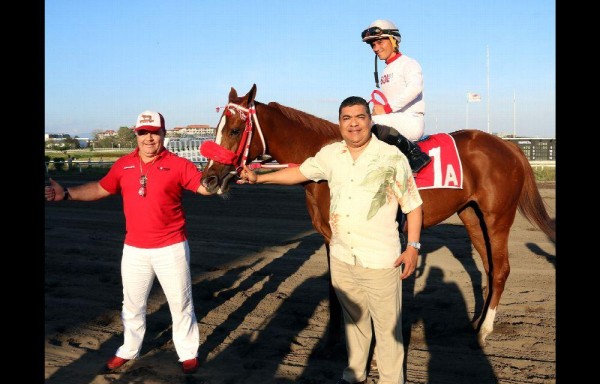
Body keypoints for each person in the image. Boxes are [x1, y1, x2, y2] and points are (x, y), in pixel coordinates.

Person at [240, 96, 423, 384]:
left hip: (380, 261)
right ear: (339, 123)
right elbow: (298, 172)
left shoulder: (392, 158)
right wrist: (259, 177)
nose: (353, 124)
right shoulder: (330, 155)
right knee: (355, 325)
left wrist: (412, 247)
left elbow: (412, 205)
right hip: (342, 258)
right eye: (347, 118)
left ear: (369, 121)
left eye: (360, 117)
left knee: (388, 333)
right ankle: (355, 375)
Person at [44, 110, 214, 374]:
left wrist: (225, 173)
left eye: (154, 132)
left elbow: (204, 187)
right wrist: (66, 193)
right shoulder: (123, 165)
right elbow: (101, 188)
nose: (148, 138)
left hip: (171, 248)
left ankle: (187, 352)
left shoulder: (179, 164)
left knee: (180, 303)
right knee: (132, 305)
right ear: (137, 135)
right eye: (143, 133)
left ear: (163, 134)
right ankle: (129, 349)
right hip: (134, 249)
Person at [361, 19, 431, 173]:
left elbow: (415, 88)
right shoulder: (386, 70)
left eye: (379, 42)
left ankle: (415, 154)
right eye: (373, 45)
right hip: (394, 120)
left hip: (410, 121)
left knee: (365, 124)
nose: (376, 48)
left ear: (393, 40)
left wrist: (386, 108)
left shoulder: (409, 63)